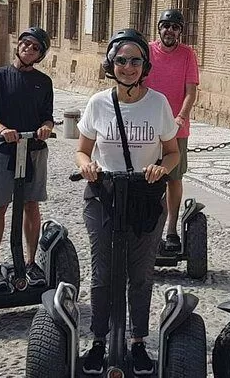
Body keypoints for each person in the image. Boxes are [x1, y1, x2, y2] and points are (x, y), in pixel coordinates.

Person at [75, 28, 180, 375]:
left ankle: (137, 342)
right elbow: (81, 150)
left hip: (144, 197)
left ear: (144, 66)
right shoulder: (98, 103)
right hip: (103, 195)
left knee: (140, 273)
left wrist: (160, 169)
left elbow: (172, 153)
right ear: (111, 64)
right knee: (103, 272)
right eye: (121, 60)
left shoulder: (159, 103)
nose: (128, 67)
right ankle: (99, 341)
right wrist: (87, 165)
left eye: (135, 60)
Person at [0, 27, 54, 290]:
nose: (29, 49)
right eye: (25, 44)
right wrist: (2, 130)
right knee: (0, 205)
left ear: (40, 55)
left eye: (35, 48)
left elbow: (48, 115)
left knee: (31, 205)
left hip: (33, 149)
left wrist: (47, 127)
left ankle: (31, 263)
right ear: (18, 45)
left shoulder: (43, 82)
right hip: (4, 148)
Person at [143, 9, 199, 252]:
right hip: (148, 127)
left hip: (176, 129)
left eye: (175, 27)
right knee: (145, 179)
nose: (169, 31)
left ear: (180, 31)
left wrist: (181, 117)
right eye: (165, 25)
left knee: (174, 179)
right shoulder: (146, 51)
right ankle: (146, 229)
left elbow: (191, 91)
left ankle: (172, 229)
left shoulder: (187, 54)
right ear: (159, 28)